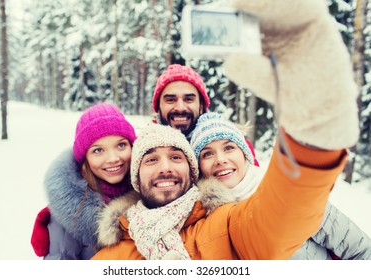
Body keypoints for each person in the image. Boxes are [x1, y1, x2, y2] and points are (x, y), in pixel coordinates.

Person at [90, 0, 360, 260]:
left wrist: (314, 126)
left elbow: (281, 214)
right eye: (151, 159)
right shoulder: (112, 256)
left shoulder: (225, 224)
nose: (165, 168)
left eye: (176, 157)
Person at [190, 112, 371, 260]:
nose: (220, 159)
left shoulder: (284, 192)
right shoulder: (203, 223)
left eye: (229, 148)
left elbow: (359, 250)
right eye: (207, 154)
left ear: (244, 154)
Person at [30, 103, 139, 259]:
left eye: (121, 145)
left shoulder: (149, 191)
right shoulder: (70, 216)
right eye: (98, 150)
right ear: (85, 159)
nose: (113, 158)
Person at [152, 63, 260, 167]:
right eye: (170, 100)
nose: (180, 107)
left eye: (189, 99)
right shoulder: (145, 149)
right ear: (159, 107)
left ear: (201, 105)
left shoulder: (234, 145)